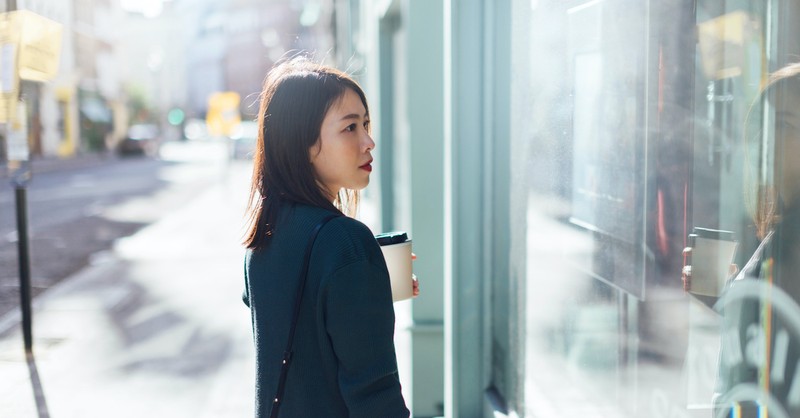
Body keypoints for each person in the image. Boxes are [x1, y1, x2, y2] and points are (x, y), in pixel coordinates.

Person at [241, 56, 413, 418]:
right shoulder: (345, 241)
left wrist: (365, 283)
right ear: (302, 141)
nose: (369, 141)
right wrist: (361, 275)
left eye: (366, 124)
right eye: (350, 128)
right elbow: (374, 392)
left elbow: (277, 305)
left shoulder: (265, 230)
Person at [683, 63, 800, 417]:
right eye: (763, 122)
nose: (766, 137)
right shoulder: (784, 231)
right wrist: (733, 297)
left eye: (784, 124)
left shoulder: (794, 241)